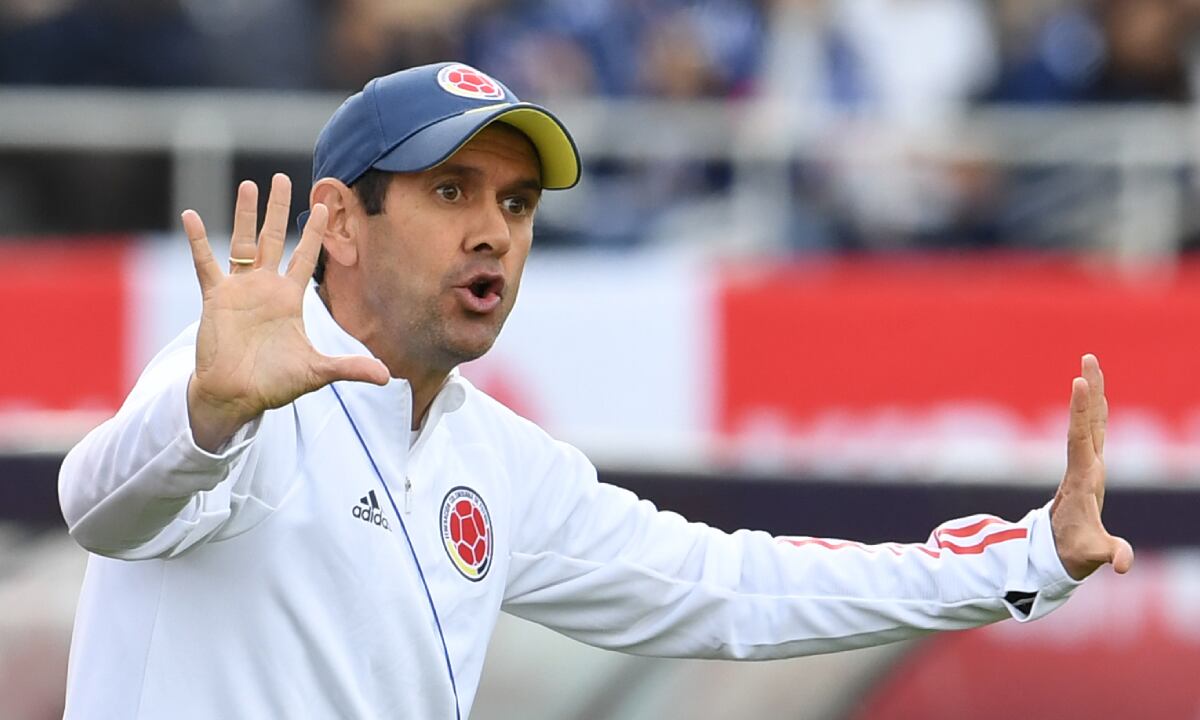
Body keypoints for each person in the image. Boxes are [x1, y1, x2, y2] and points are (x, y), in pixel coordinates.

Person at [58, 62, 1133, 719]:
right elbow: (96, 503)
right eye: (450, 190)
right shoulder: (233, 389)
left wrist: (1027, 560)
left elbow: (729, 588)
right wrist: (204, 420)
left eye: (519, 204)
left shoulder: (497, 460)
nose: (495, 230)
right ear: (339, 221)